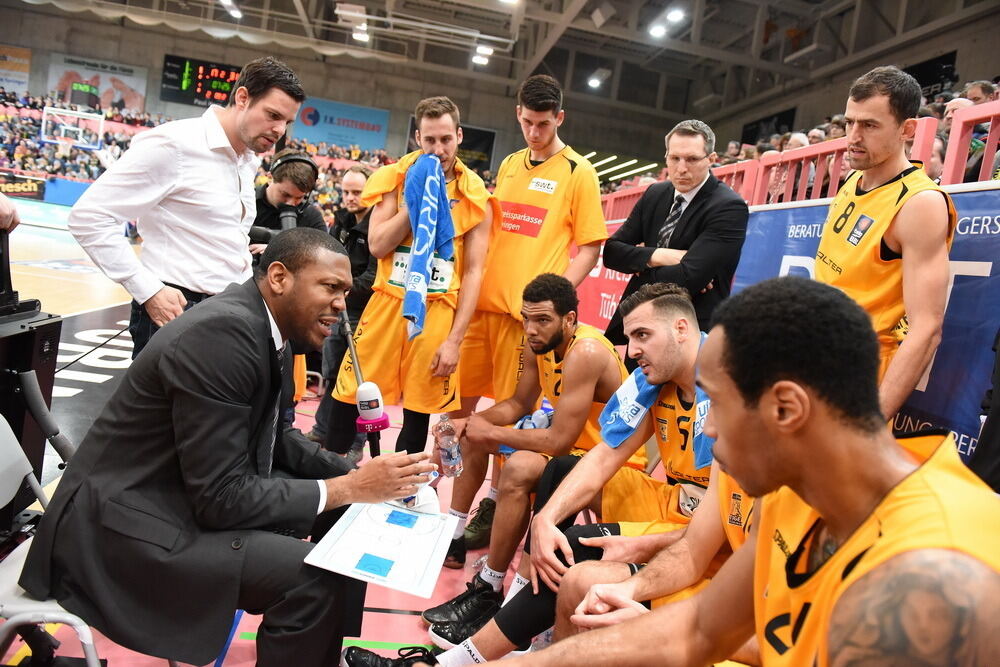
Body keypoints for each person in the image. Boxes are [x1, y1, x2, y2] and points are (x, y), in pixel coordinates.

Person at [471, 276, 1000, 667]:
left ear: (786, 410)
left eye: (718, 405)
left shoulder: (938, 575)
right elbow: (702, 627)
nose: (706, 430)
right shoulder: (796, 489)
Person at [19, 228, 438, 667]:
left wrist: (361, 479)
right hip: (116, 532)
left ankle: (322, 648)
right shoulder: (223, 337)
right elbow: (220, 498)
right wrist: (349, 488)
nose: (340, 304)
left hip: (167, 496)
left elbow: (278, 439)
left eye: (345, 291)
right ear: (279, 277)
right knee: (313, 577)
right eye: (330, 287)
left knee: (342, 515)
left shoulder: (263, 326)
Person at [341, 284, 715, 667]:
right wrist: (546, 517)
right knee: (551, 476)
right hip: (671, 501)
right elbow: (599, 455)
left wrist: (492, 435)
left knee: (556, 512)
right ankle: (493, 589)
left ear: (682, 329)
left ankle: (480, 639)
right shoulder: (649, 380)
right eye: (631, 336)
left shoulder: (723, 391)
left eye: (642, 336)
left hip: (701, 521)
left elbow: (560, 440)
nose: (632, 350)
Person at [423, 274, 643, 643]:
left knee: (521, 466)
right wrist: (467, 423)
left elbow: (558, 442)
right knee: (475, 435)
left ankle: (504, 601)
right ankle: (461, 548)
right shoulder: (535, 345)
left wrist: (491, 432)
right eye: (526, 319)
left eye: (542, 320)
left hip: (607, 463)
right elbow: (517, 405)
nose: (531, 329)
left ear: (570, 319)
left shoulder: (586, 353)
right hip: (572, 455)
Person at [452, 75, 607, 550]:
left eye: (543, 124)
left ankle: (493, 509)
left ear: (559, 118)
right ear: (518, 114)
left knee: (510, 424)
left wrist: (554, 299)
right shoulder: (512, 164)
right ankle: (451, 521)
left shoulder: (579, 171)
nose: (534, 132)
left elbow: (591, 246)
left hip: (524, 322)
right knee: (460, 414)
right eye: (526, 122)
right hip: (482, 311)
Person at [67, 56, 305, 358]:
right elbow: (88, 217)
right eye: (272, 115)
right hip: (178, 308)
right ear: (242, 98)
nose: (279, 130)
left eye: (287, 122)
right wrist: (148, 290)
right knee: (169, 407)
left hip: (229, 308)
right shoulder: (174, 144)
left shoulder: (247, 158)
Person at [326, 96, 496, 457]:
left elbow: (474, 271)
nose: (438, 149)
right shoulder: (395, 178)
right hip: (389, 300)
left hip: (438, 306)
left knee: (418, 412)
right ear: (418, 137)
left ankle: (400, 495)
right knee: (349, 393)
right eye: (430, 140)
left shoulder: (475, 193)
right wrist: (415, 202)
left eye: (446, 139)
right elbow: (377, 244)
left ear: (459, 136)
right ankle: (328, 485)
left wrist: (455, 340)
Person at [814, 65, 956, 420]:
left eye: (870, 125)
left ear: (907, 129)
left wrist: (871, 422)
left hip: (857, 375)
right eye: (850, 122)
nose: (853, 136)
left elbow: (927, 329)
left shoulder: (919, 203)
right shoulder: (853, 179)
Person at [603, 119, 748, 362]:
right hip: (642, 325)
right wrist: (657, 256)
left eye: (692, 159)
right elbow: (611, 253)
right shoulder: (655, 194)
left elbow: (690, 277)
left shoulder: (728, 206)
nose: (681, 168)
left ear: (711, 159)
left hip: (690, 330)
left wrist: (641, 267)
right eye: (674, 158)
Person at [308, 165, 376, 451]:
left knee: (359, 381)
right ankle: (322, 430)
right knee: (334, 374)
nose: (349, 197)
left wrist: (338, 290)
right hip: (340, 308)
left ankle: (356, 443)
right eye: (346, 191)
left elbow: (374, 278)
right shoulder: (342, 220)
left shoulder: (379, 226)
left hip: (366, 312)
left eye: (357, 192)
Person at [251, 148, 326, 240]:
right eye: (285, 195)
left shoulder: (312, 217)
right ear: (270, 178)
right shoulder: (244, 201)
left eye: (299, 198)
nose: (290, 203)